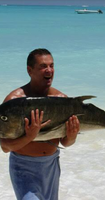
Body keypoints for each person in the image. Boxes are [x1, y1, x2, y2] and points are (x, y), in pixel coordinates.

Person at [0, 48, 80, 200]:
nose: (49, 70)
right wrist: (29, 136)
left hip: (51, 166)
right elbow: (5, 146)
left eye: (51, 65)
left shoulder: (62, 100)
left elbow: (66, 142)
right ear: (30, 70)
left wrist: (72, 136)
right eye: (43, 66)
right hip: (23, 168)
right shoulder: (14, 102)